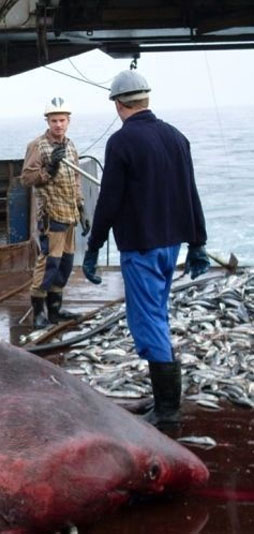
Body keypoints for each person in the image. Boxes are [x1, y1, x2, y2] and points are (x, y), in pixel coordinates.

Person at [82, 69, 209, 428]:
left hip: (141, 247)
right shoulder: (176, 137)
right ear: (146, 98)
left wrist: (93, 247)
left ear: (118, 104)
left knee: (146, 319)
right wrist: (198, 243)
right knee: (158, 314)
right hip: (172, 246)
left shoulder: (122, 143)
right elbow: (191, 192)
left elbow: (108, 200)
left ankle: (168, 412)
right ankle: (163, 397)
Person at [21, 97, 89, 329]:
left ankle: (55, 310)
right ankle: (38, 312)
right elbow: (27, 178)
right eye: (54, 120)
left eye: (62, 120)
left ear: (68, 121)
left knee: (65, 263)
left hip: (70, 215)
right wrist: (49, 168)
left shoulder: (70, 145)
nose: (58, 125)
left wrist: (82, 208)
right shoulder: (37, 146)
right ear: (47, 121)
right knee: (49, 262)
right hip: (51, 215)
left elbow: (76, 179)